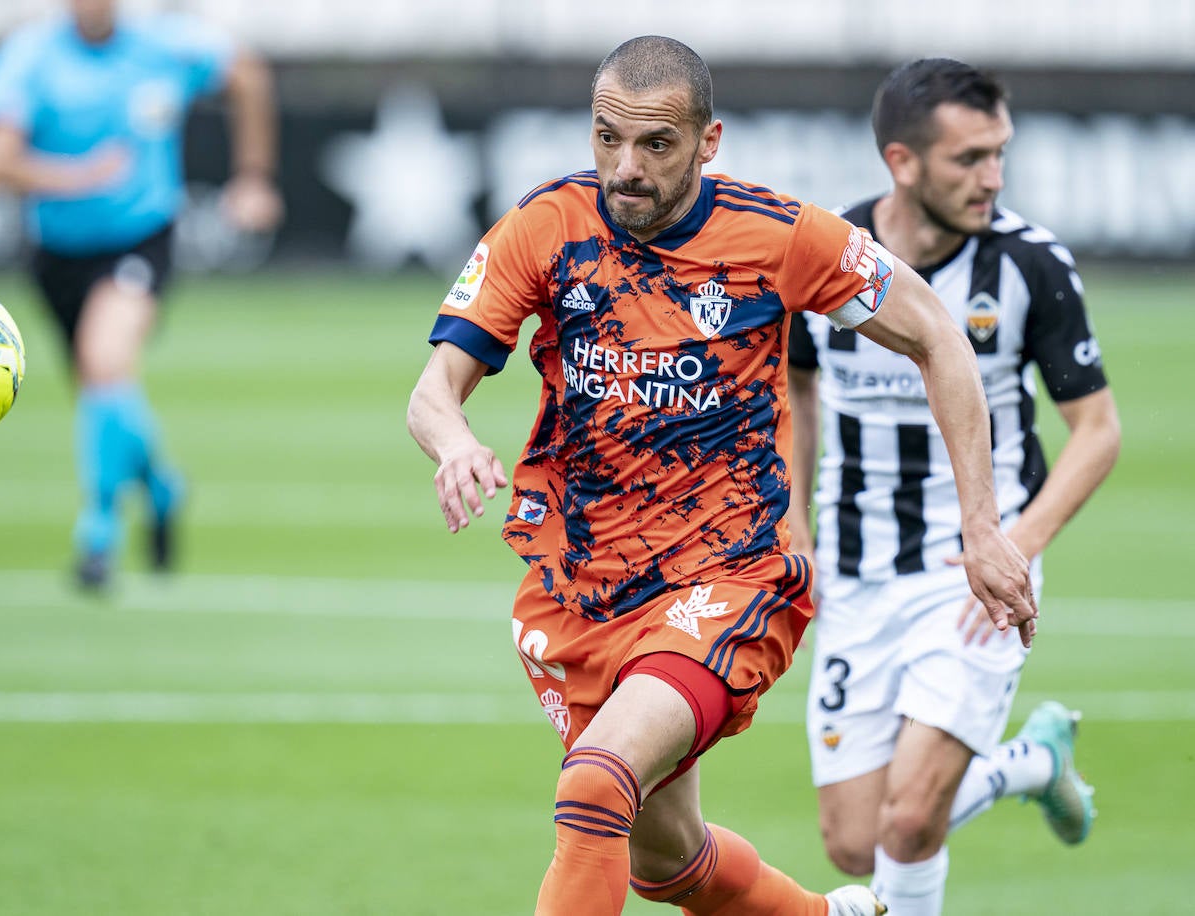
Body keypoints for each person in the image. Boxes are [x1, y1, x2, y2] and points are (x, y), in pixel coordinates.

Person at [408, 35, 1039, 916]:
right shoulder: (548, 225)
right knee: (660, 861)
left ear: (708, 143)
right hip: (580, 588)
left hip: (732, 573)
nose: (624, 168)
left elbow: (936, 331)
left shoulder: (782, 235)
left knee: (595, 785)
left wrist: (982, 525)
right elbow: (433, 390)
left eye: (655, 145)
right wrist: (454, 443)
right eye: (606, 138)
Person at [788, 58, 1121, 915]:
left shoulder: (1029, 266)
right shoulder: (826, 258)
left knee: (906, 823)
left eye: (999, 153)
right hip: (858, 573)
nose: (993, 178)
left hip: (976, 575)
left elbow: (1097, 430)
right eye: (968, 158)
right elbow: (798, 391)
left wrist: (1014, 546)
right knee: (855, 840)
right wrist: (794, 527)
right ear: (902, 162)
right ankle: (1031, 763)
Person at [0, 0, 284, 589]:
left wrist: (254, 178)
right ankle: (161, 487)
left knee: (105, 361)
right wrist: (76, 177)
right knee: (102, 391)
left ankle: (98, 533)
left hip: (140, 239)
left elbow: (248, 75)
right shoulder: (31, 56)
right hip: (58, 255)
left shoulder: (165, 43)